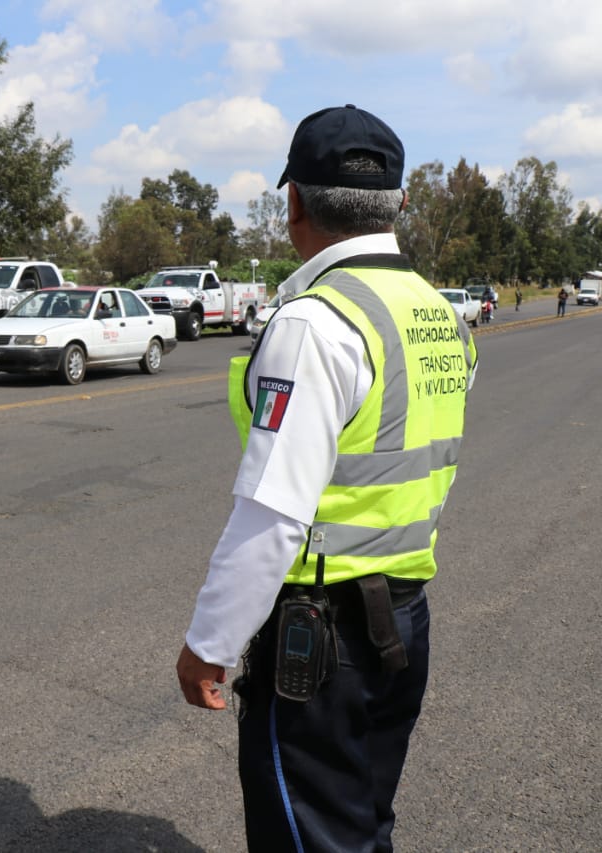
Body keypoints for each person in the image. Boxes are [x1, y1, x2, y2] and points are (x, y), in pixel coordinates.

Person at [175, 104, 477, 853]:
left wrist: (209, 643)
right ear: (400, 204)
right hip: (404, 621)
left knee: (311, 837)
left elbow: (275, 511)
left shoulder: (316, 321)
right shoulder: (441, 314)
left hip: (321, 639)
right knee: (364, 822)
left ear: (294, 204)